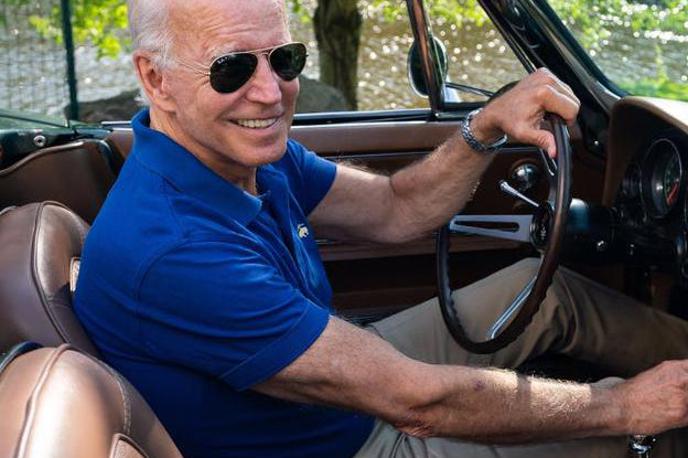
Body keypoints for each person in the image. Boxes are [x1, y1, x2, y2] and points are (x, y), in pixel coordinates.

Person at [74, 0, 688, 457]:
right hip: (346, 444)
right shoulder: (172, 248)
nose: (270, 93)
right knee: (635, 438)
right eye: (231, 69)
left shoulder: (243, 152)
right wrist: (623, 405)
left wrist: (485, 129)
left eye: (284, 59)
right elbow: (417, 402)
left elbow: (397, 208)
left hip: (345, 394)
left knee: (545, 290)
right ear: (156, 79)